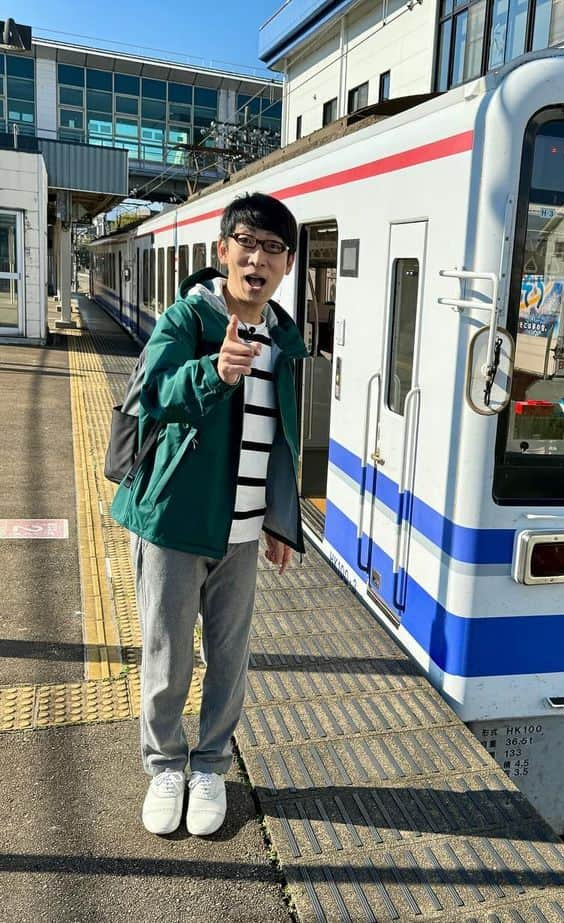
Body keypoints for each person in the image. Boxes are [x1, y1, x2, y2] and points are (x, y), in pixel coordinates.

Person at [111, 192, 307, 836]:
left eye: (273, 249)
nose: (258, 258)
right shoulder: (186, 319)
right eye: (246, 243)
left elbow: (279, 436)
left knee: (229, 654)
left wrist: (280, 519)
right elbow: (154, 395)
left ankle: (210, 767)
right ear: (222, 251)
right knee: (170, 654)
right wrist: (213, 373)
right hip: (174, 519)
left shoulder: (284, 337)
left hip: (244, 529)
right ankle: (165, 765)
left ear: (286, 265)